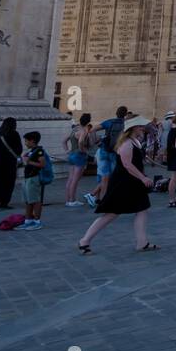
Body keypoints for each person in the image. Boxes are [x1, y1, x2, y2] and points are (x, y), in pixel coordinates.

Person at [78, 119, 158, 254]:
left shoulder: (135, 141)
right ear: (134, 128)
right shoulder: (127, 143)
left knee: (142, 209)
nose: (143, 128)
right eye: (140, 126)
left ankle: (142, 242)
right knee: (112, 213)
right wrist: (143, 177)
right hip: (124, 182)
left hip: (133, 182)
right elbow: (127, 165)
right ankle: (84, 241)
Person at [91, 105, 129, 205]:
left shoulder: (109, 122)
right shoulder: (127, 124)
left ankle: (102, 200)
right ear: (125, 114)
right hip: (116, 151)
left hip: (104, 149)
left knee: (104, 176)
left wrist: (96, 141)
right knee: (114, 176)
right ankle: (111, 198)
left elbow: (93, 130)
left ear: (116, 113)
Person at [0, 117, 22, 209]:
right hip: (9, 163)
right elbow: (19, 149)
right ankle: (4, 202)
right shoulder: (14, 134)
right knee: (8, 183)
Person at [20, 131, 47, 229]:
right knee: (28, 200)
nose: (25, 143)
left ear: (32, 141)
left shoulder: (39, 151)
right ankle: (28, 220)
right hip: (27, 178)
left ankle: (37, 221)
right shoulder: (31, 151)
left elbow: (42, 165)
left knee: (35, 200)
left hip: (34, 178)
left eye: (26, 141)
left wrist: (29, 161)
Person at [64, 113, 92, 207]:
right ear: (88, 121)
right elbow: (80, 142)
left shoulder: (74, 129)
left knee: (70, 179)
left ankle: (68, 200)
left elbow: (64, 141)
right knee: (75, 180)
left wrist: (67, 151)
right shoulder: (83, 131)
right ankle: (72, 200)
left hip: (71, 154)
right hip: (79, 155)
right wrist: (84, 151)